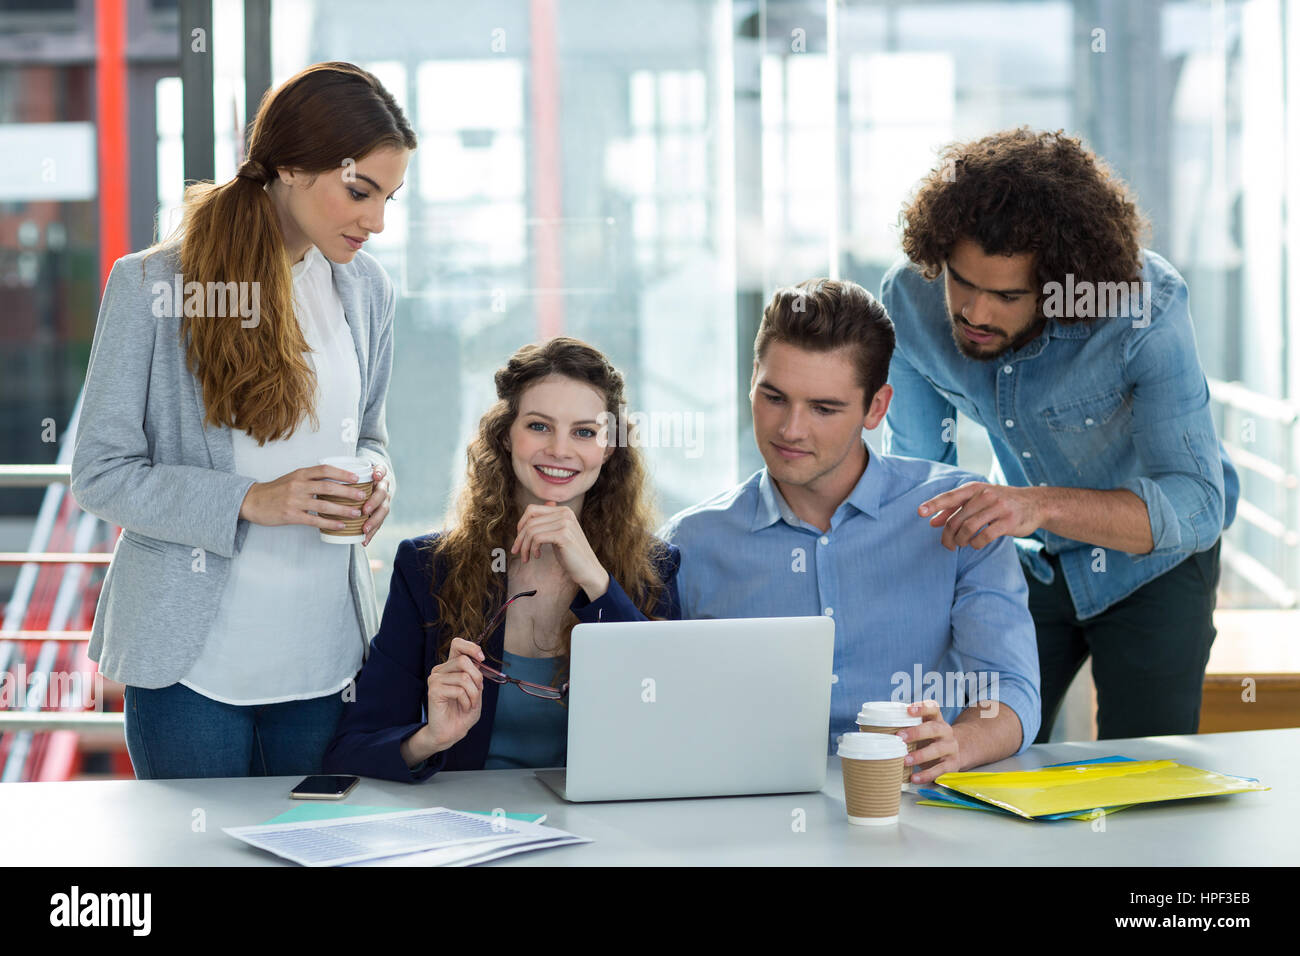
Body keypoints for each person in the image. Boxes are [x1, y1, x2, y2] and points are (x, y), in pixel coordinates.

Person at [69, 62, 415, 778]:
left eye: (389, 198)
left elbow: (370, 435)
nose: (376, 221)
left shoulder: (367, 289)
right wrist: (252, 501)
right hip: (192, 665)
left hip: (327, 657)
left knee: (318, 853)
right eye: (360, 191)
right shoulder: (152, 286)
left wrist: (379, 476)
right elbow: (100, 475)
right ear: (290, 166)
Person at [880, 127, 1238, 742]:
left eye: (1007, 295)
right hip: (1025, 565)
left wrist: (1037, 503)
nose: (975, 313)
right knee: (986, 760)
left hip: (1153, 566)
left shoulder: (1141, 310)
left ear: (1059, 283)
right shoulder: (910, 301)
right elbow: (919, 472)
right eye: (962, 281)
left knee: (1141, 781)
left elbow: (1199, 502)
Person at [658, 280, 1039, 786]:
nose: (791, 430)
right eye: (774, 397)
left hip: (911, 810)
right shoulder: (689, 543)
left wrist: (958, 744)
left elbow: (1012, 689)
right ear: (752, 381)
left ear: (876, 407)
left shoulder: (960, 511)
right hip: (748, 813)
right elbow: (655, 710)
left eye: (823, 408)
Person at [323, 337, 681, 782]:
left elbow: (668, 724)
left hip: (601, 833)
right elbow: (351, 750)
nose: (560, 450)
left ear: (608, 449)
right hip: (470, 829)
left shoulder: (656, 567)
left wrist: (595, 581)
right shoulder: (427, 567)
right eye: (539, 426)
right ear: (506, 435)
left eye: (584, 432)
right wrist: (430, 738)